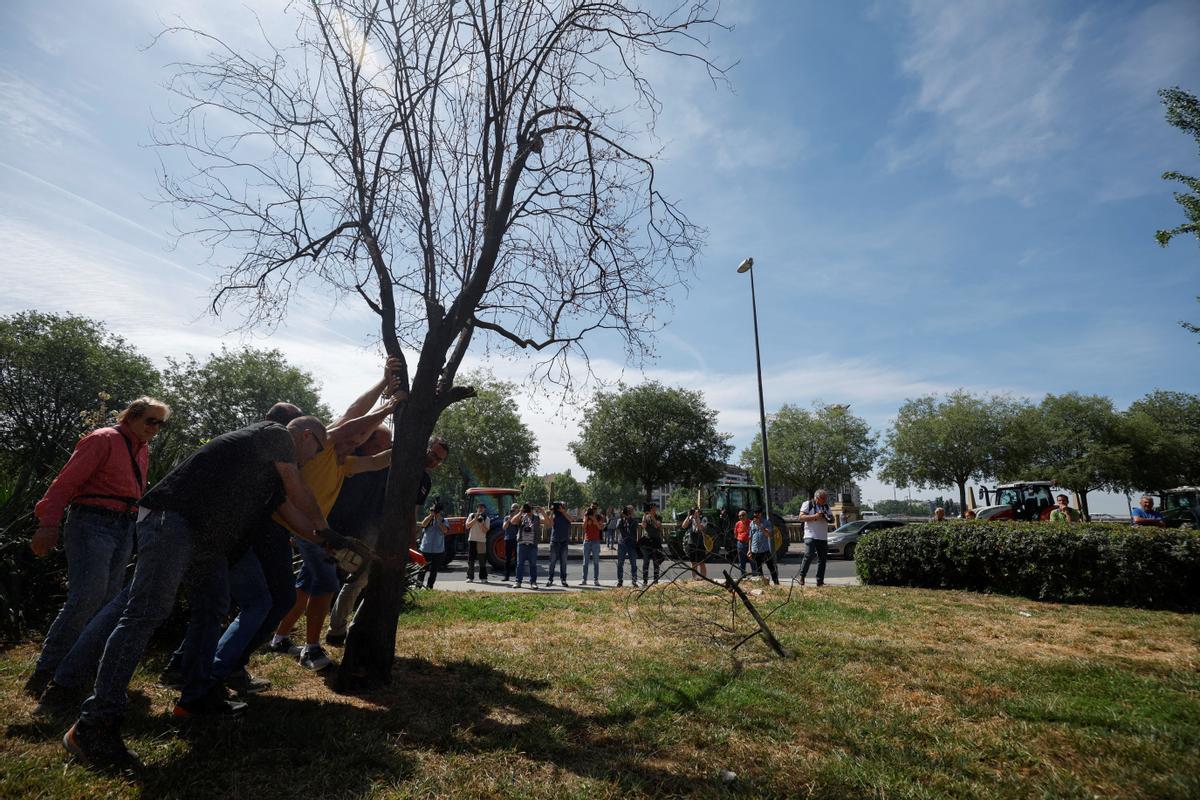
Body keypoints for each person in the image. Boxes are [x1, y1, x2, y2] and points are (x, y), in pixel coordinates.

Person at [57, 417, 340, 771]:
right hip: (173, 519)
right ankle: (93, 725)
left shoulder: (268, 473)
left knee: (212, 606)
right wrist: (328, 530)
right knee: (145, 613)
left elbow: (289, 509)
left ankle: (196, 697)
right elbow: (298, 489)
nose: (312, 458)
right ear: (307, 434)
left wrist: (325, 542)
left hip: (204, 540)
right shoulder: (277, 434)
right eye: (316, 449)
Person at [24, 398, 170, 699]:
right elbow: (64, 483)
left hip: (123, 525)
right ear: (131, 417)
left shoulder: (142, 450)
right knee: (87, 596)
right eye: (151, 421)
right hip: (92, 522)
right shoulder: (103, 439)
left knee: (106, 601)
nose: (155, 428)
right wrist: (48, 523)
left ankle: (77, 666)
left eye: (160, 423)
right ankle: (47, 670)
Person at [325, 426, 393, 647]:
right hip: (337, 530)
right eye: (379, 444)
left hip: (368, 531)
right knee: (322, 582)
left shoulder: (383, 467)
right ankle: (291, 635)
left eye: (387, 445)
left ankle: (337, 630)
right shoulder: (348, 461)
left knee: (358, 580)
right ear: (366, 442)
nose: (383, 449)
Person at [797, 490, 832, 587]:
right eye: (823, 499)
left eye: (825, 498)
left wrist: (826, 516)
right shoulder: (807, 504)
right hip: (810, 535)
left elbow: (831, 518)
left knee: (822, 559)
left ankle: (820, 581)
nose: (825, 500)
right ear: (817, 498)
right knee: (809, 555)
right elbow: (801, 517)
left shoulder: (826, 506)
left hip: (822, 536)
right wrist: (815, 516)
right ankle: (802, 576)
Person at [510, 503, 542, 589]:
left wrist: (542, 511)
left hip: (532, 545)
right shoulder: (521, 517)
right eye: (526, 509)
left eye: (529, 509)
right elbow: (512, 521)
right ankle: (518, 582)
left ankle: (533, 582)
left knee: (533, 565)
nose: (527, 510)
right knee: (519, 564)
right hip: (522, 544)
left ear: (532, 509)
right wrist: (520, 512)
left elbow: (548, 523)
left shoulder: (536, 517)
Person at [418, 502, 449, 588]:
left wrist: (438, 519)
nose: (434, 512)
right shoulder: (428, 519)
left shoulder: (444, 520)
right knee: (422, 569)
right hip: (425, 549)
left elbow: (445, 530)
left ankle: (429, 587)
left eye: (435, 511)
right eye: (432, 510)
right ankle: (418, 586)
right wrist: (431, 515)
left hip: (438, 550)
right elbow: (423, 524)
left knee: (433, 570)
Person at [748, 509, 779, 586]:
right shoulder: (752, 523)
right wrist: (749, 550)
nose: (756, 515)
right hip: (755, 549)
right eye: (755, 514)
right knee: (758, 569)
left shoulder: (766, 522)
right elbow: (750, 537)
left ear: (761, 514)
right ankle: (762, 584)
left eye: (757, 513)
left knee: (771, 567)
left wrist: (759, 525)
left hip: (764, 549)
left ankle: (776, 583)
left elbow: (768, 535)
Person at [547, 501, 573, 587]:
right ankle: (550, 579)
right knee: (552, 563)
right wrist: (551, 511)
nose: (561, 507)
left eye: (562, 505)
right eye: (560, 506)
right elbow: (550, 524)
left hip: (564, 542)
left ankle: (563, 580)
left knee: (563, 563)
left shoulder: (566, 514)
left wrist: (563, 511)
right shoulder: (554, 515)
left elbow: (571, 519)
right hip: (554, 542)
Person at [640, 503, 665, 585]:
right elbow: (643, 525)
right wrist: (644, 515)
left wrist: (652, 516)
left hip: (656, 542)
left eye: (654, 509)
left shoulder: (659, 517)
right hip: (647, 541)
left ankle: (656, 580)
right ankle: (645, 580)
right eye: (652, 509)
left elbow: (657, 525)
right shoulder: (646, 517)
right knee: (646, 562)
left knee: (656, 562)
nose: (654, 510)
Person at [465, 502, 490, 583]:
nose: (481, 509)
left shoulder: (487, 518)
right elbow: (467, 526)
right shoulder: (471, 515)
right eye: (479, 507)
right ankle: (470, 577)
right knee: (471, 560)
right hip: (472, 539)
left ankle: (483, 577)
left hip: (481, 541)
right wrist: (475, 519)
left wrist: (482, 523)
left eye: (482, 508)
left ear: (484, 509)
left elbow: (485, 531)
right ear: (476, 508)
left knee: (482, 560)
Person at [615, 506, 639, 587]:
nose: (628, 513)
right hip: (622, 544)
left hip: (631, 544)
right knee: (620, 563)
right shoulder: (620, 520)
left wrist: (628, 518)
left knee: (633, 563)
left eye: (629, 511)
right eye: (626, 512)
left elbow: (633, 527)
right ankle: (620, 580)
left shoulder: (634, 521)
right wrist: (622, 518)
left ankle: (634, 580)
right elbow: (617, 527)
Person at [681, 506, 708, 579]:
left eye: (696, 511)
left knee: (701, 562)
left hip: (700, 543)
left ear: (699, 512)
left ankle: (703, 578)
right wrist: (688, 516)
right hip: (691, 543)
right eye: (694, 512)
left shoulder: (704, 519)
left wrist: (696, 518)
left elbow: (700, 528)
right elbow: (683, 526)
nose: (695, 513)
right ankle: (694, 578)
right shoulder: (691, 519)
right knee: (693, 562)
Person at [581, 505, 604, 586]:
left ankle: (596, 579)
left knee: (596, 562)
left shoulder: (599, 517)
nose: (593, 510)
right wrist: (587, 519)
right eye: (591, 508)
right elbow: (583, 527)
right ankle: (584, 579)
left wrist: (595, 520)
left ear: (596, 509)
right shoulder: (586, 516)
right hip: (587, 541)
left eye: (594, 508)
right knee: (585, 562)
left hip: (596, 541)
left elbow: (600, 528)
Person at [501, 503, 520, 581]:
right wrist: (509, 519)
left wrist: (515, 517)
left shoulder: (519, 518)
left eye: (515, 508)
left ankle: (517, 576)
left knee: (517, 559)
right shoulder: (506, 517)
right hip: (508, 539)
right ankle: (506, 576)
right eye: (512, 508)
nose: (513, 509)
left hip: (517, 540)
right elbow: (504, 527)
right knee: (507, 558)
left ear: (518, 509)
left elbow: (519, 525)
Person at [733, 510, 751, 575]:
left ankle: (755, 576)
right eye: (740, 516)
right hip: (740, 544)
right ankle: (743, 576)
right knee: (741, 561)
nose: (741, 517)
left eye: (743, 515)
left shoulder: (751, 523)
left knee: (752, 560)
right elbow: (735, 534)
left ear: (746, 515)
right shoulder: (737, 524)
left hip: (749, 544)